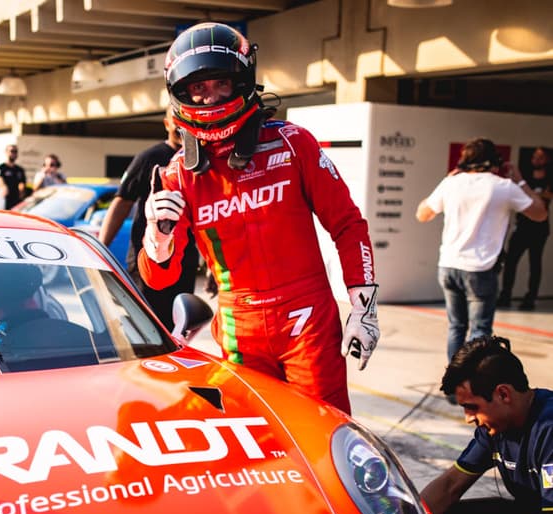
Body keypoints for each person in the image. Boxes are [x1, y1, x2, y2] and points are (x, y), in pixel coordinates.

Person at [138, 22, 379, 414]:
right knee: (254, 441)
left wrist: (364, 308)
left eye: (220, 84)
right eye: (197, 88)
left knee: (323, 430)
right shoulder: (176, 173)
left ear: (243, 80)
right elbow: (160, 278)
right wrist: (157, 241)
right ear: (179, 93)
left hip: (307, 321)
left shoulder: (293, 143)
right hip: (238, 326)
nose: (209, 96)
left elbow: (348, 224)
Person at [420, 335, 553, 514]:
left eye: (471, 407)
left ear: (504, 394)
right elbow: (451, 485)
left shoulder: (549, 428)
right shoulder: (496, 426)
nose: (469, 418)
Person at [417, 137, 547, 364]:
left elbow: (422, 214)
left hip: (448, 265)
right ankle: (472, 387)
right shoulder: (504, 188)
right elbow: (540, 213)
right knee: (480, 330)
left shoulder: (451, 184)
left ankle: (454, 385)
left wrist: (445, 181)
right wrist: (520, 182)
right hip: (480, 269)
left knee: (456, 326)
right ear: (496, 161)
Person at [99, 104, 199, 330]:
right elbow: (122, 202)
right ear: (166, 124)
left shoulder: (198, 162)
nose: (181, 127)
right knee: (147, 328)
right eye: (176, 121)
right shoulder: (149, 158)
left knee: (180, 327)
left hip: (184, 261)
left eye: (187, 121)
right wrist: (101, 248)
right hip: (148, 261)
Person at [498, 146, 552, 312]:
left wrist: (526, 189)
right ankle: (505, 295)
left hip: (540, 226)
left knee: (535, 263)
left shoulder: (549, 178)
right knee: (511, 261)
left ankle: (530, 297)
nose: (537, 160)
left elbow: (544, 198)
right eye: (535, 157)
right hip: (522, 225)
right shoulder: (525, 177)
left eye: (541, 157)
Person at [0, 144, 26, 209]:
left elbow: (22, 183)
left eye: (15, 151)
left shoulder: (20, 170)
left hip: (16, 201)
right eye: (12, 151)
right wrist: (3, 186)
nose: (13, 153)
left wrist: (21, 191)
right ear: (6, 152)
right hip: (3, 199)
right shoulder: (1, 168)